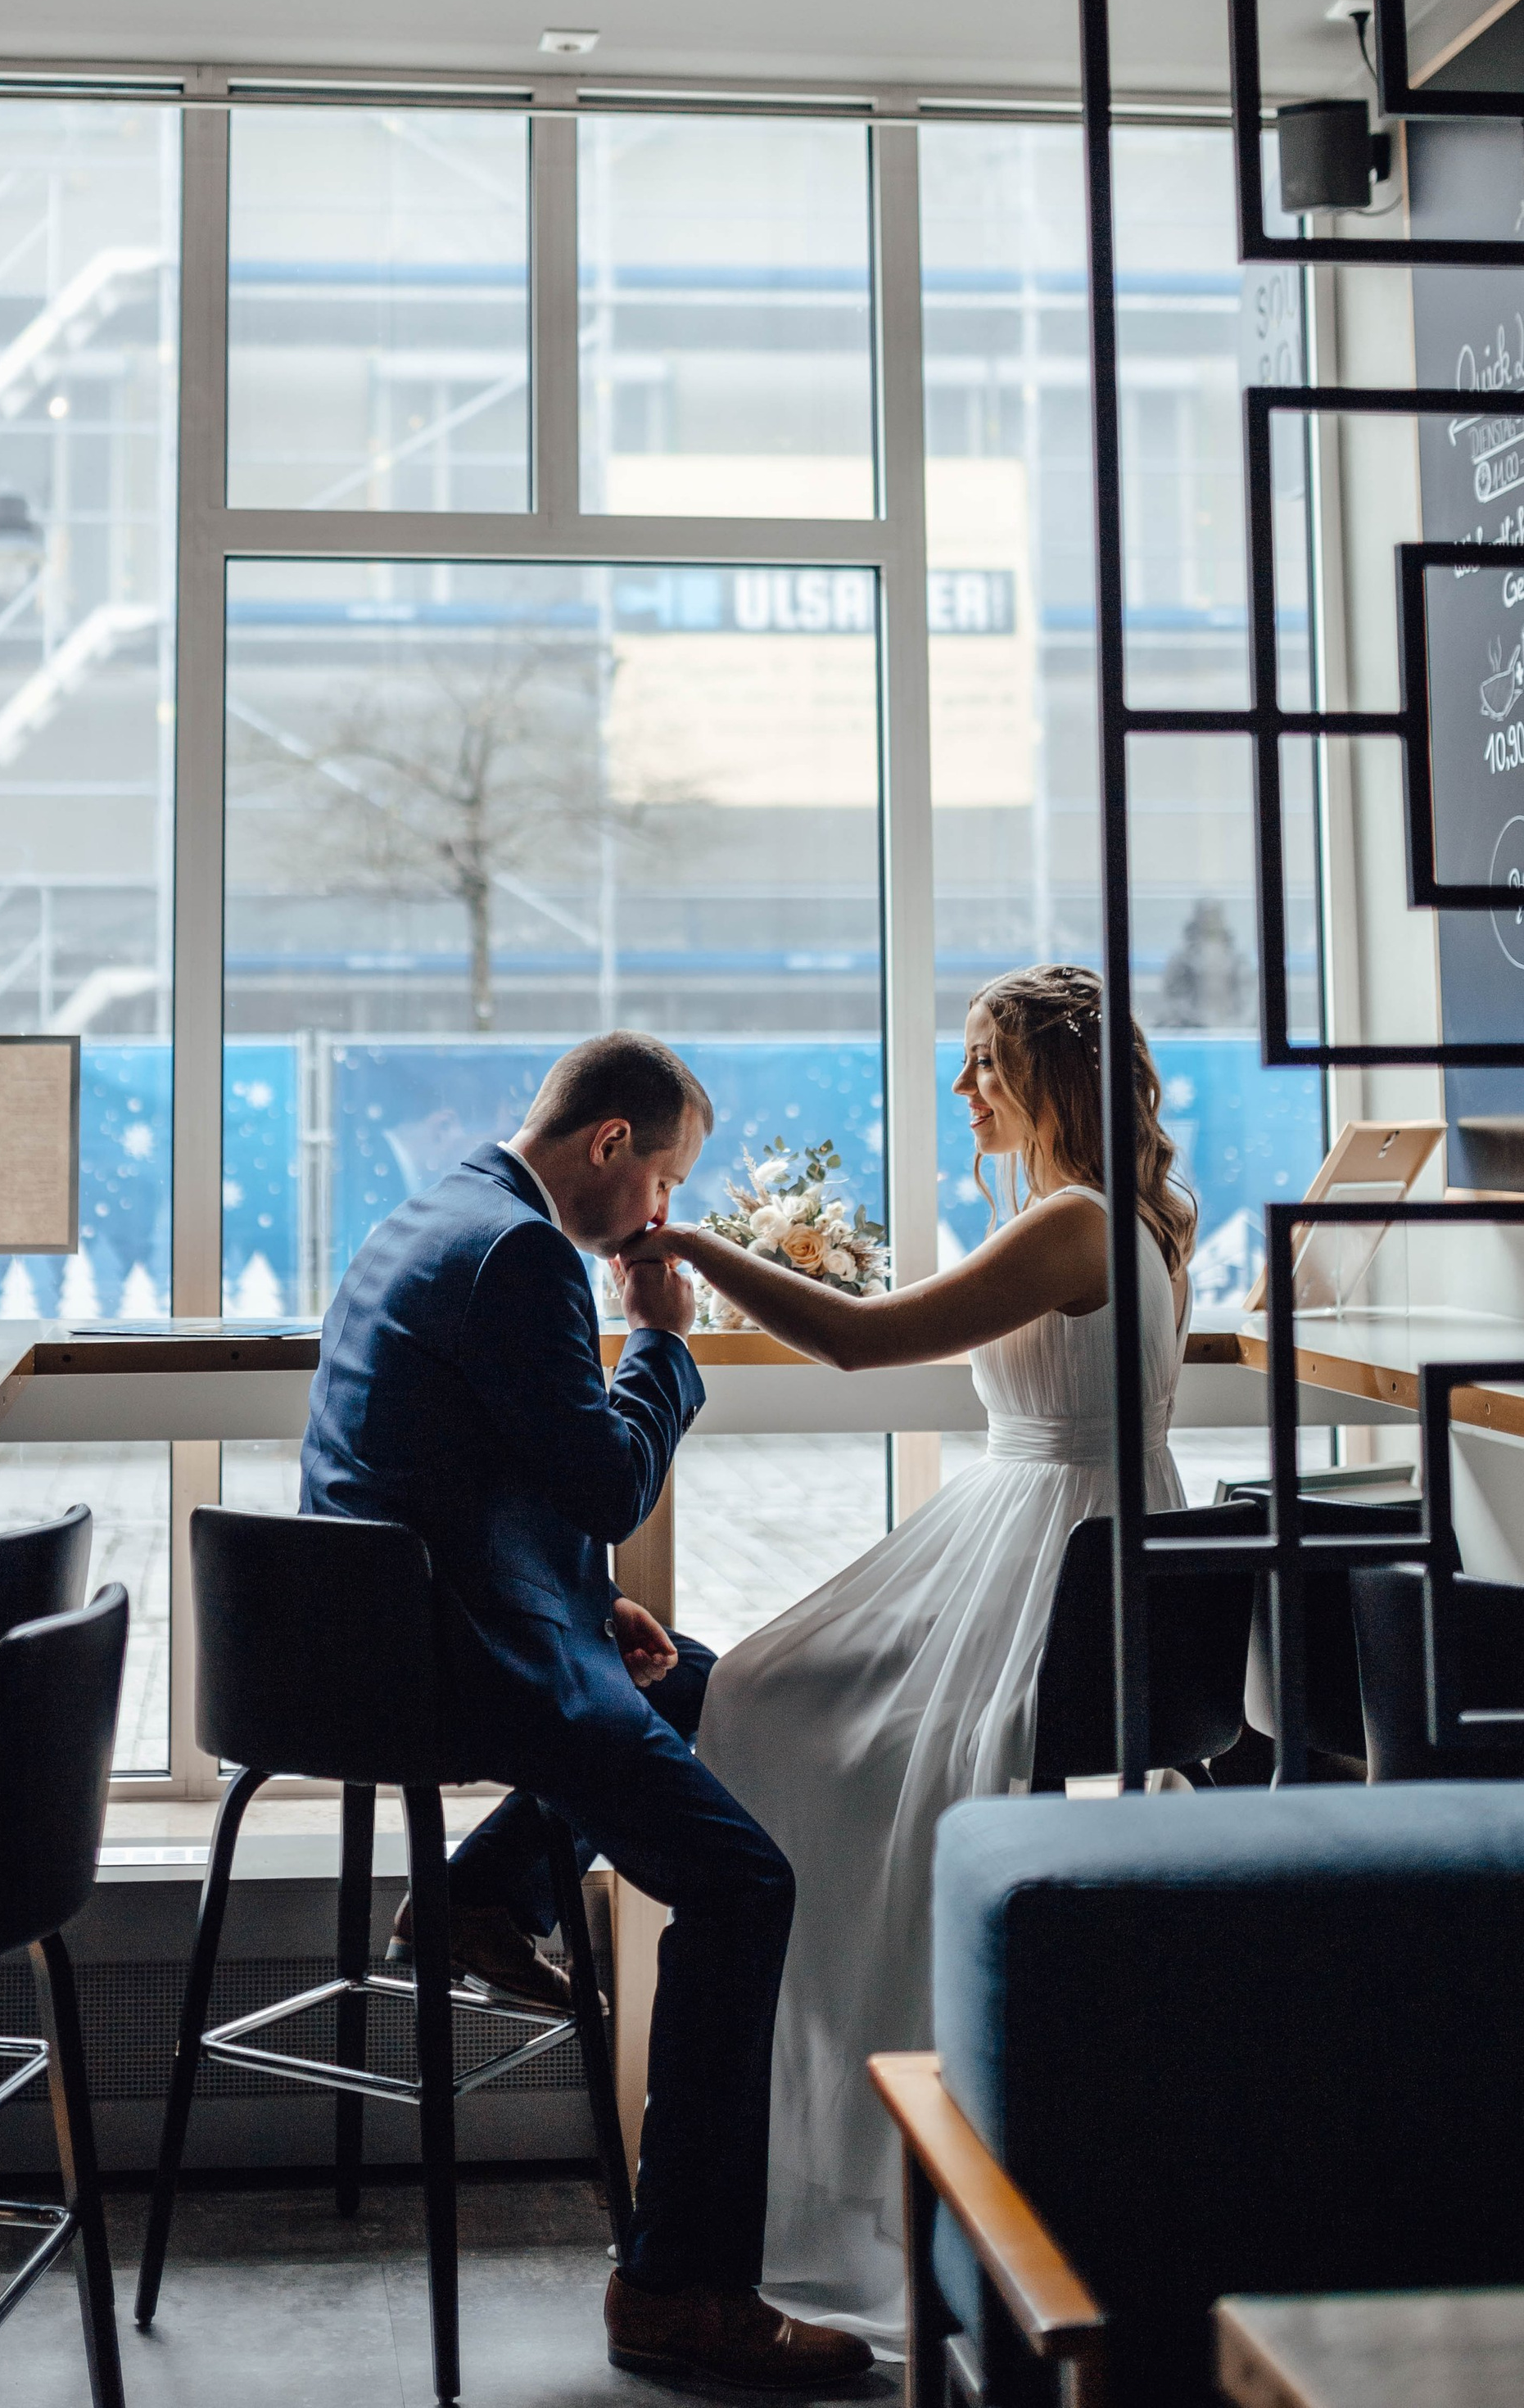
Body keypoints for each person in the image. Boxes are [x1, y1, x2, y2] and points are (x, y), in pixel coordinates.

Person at [619, 965, 1195, 2351]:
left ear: (1046, 1079)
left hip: (1061, 1558)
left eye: (981, 1065)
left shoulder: (1074, 1225)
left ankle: (827, 2122)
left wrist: (685, 1257)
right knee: (757, 1689)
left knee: (758, 1696)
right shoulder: (1116, 1221)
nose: (961, 1091)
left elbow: (865, 1346)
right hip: (1044, 1528)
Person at [301, 1031, 874, 2396]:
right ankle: (682, 2289)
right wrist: (663, 1347)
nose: (665, 1213)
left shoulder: (436, 1208)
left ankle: (480, 1897)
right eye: (667, 1179)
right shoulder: (525, 1256)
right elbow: (610, 1479)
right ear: (611, 1146)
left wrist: (579, 1596)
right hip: (458, 1663)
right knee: (742, 1888)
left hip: (379, 1633)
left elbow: (464, 1462)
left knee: (696, 1682)